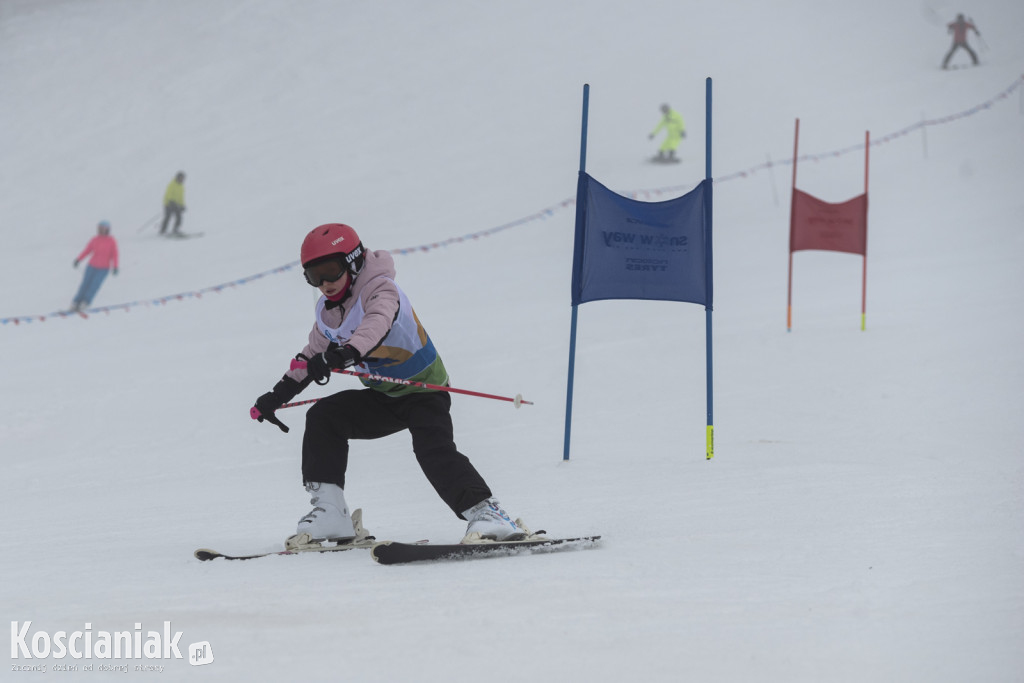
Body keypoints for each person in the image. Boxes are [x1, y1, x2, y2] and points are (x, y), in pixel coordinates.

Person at [251, 223, 528, 546]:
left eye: (331, 271)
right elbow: (310, 356)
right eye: (314, 276)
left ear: (353, 262)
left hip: (425, 391)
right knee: (324, 417)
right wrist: (276, 396)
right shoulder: (327, 315)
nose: (325, 283)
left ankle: (488, 514)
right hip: (384, 396)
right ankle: (331, 514)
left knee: (432, 449)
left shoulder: (380, 289)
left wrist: (346, 352)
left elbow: (376, 324)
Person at [71, 220, 119, 312]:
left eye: (103, 228)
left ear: (107, 229)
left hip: (103, 268)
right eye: (99, 228)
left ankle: (85, 302)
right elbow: (87, 250)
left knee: (94, 285)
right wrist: (78, 259)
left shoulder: (111, 241)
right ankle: (76, 302)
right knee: (85, 284)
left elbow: (115, 255)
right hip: (91, 266)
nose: (101, 230)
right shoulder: (95, 239)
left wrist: (115, 267)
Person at [160, 171, 186, 236]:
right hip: (168, 204)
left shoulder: (181, 187)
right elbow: (168, 194)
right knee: (168, 217)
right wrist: (170, 201)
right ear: (177, 177)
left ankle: (175, 229)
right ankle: (163, 230)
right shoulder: (172, 184)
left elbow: (181, 197)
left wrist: (182, 205)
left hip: (176, 205)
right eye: (180, 178)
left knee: (179, 217)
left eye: (182, 178)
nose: (181, 179)